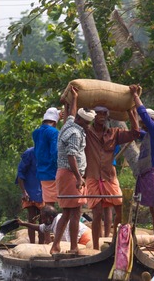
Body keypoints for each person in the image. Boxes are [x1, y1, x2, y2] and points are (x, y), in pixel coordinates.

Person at [84, 104, 140, 250]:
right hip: (92, 177)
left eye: (104, 113)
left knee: (121, 209)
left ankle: (115, 240)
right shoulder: (87, 133)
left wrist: (130, 111)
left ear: (107, 116)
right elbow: (72, 123)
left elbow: (135, 133)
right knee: (96, 213)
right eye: (98, 113)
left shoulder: (114, 133)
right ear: (93, 116)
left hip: (109, 177)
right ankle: (96, 247)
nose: (101, 116)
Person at [50, 88, 96, 254]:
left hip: (65, 174)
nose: (89, 126)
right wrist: (78, 177)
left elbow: (72, 113)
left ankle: (56, 245)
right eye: (88, 123)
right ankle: (73, 247)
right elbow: (71, 155)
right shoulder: (76, 133)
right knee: (75, 213)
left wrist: (74, 98)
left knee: (68, 213)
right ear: (84, 122)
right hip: (70, 175)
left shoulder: (70, 123)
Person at [130, 84, 154, 251]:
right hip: (146, 175)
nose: (143, 123)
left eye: (145, 121)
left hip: (153, 174)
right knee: (153, 209)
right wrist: (129, 110)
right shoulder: (147, 135)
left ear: (152, 122)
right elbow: (136, 130)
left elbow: (143, 116)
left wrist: (135, 96)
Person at [17, 204, 92, 246]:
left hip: (85, 237)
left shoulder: (58, 224)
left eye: (44, 219)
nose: (42, 221)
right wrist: (23, 223)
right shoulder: (51, 221)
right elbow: (40, 227)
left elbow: (66, 244)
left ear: (51, 217)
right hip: (81, 237)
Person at [32, 107, 61, 207]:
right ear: (55, 121)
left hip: (42, 171)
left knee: (48, 202)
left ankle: (48, 222)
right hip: (52, 171)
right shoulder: (54, 132)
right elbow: (55, 152)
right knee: (64, 202)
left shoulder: (36, 132)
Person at [15, 147, 45, 243]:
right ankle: (32, 243)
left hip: (43, 190)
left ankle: (41, 243)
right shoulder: (29, 153)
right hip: (31, 191)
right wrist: (24, 192)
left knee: (43, 219)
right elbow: (20, 174)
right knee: (31, 219)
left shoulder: (47, 152)